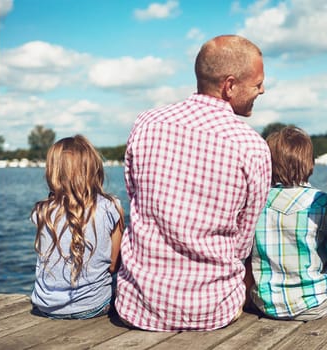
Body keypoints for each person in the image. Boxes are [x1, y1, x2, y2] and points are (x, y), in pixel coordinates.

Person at [115, 34, 272, 331]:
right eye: (257, 83)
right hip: (212, 310)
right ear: (229, 86)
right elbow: (242, 242)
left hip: (138, 305)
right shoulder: (251, 146)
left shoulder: (146, 123)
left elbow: (135, 198)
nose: (262, 90)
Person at [31, 135, 124, 319]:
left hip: (46, 306)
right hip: (94, 306)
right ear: (94, 168)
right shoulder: (111, 206)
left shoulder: (41, 211)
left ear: (53, 172)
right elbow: (114, 265)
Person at [246, 126, 327, 320]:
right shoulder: (322, 202)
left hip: (265, 304)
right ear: (309, 163)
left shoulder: (256, 202)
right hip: (315, 304)